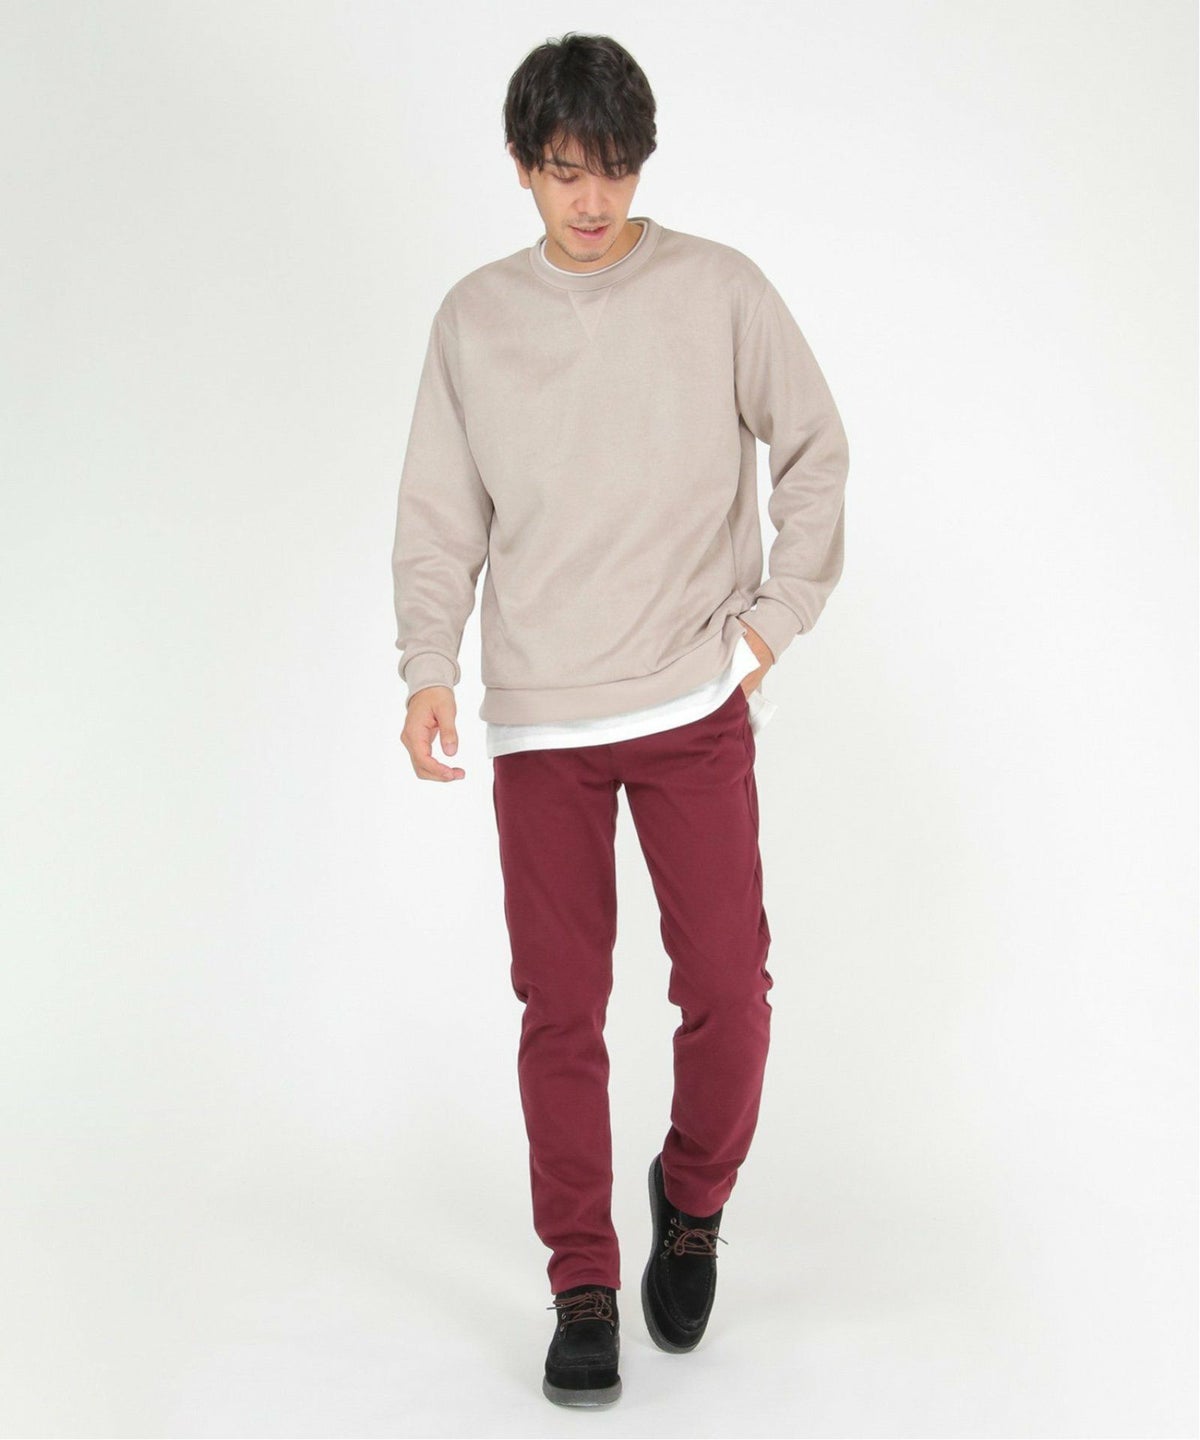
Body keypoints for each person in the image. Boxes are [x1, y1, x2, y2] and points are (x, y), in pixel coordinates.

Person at [391, 30, 849, 1409]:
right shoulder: (474, 319)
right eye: (562, 170)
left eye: (614, 169)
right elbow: (438, 515)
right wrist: (428, 666)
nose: (590, 200)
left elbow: (814, 449)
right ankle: (582, 1281)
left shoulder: (720, 289)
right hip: (543, 719)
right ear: (523, 167)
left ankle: (691, 1199)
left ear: (643, 164)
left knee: (729, 991)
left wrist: (771, 622)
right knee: (562, 1011)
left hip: (692, 699)